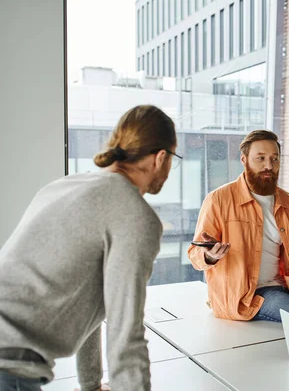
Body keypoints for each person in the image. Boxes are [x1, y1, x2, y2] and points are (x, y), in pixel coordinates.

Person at [0, 105, 179, 391]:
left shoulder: (65, 186)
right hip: (9, 365)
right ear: (161, 158)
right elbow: (125, 332)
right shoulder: (134, 215)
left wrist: (91, 385)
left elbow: (88, 299)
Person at [188, 130, 289, 335]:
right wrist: (210, 255)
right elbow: (194, 254)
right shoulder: (219, 199)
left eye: (274, 159)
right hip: (242, 296)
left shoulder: (288, 202)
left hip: (280, 289)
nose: (268, 165)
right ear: (244, 160)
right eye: (260, 158)